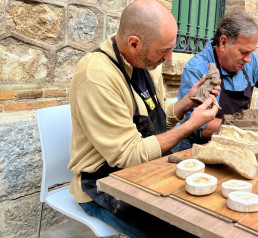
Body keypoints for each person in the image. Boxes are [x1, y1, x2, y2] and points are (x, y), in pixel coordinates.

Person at [68, 1, 219, 237]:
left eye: (172, 48)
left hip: (145, 169)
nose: (170, 58)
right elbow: (128, 155)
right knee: (180, 231)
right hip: (103, 183)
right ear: (134, 43)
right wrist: (191, 124)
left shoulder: (144, 61)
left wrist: (187, 103)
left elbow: (155, 115)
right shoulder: (97, 77)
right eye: (164, 51)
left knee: (206, 214)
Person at [177, 10, 258, 150]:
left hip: (238, 146)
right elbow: (195, 125)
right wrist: (250, 128)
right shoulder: (197, 69)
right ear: (223, 43)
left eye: (251, 53)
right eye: (243, 52)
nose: (248, 59)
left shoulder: (251, 62)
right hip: (198, 150)